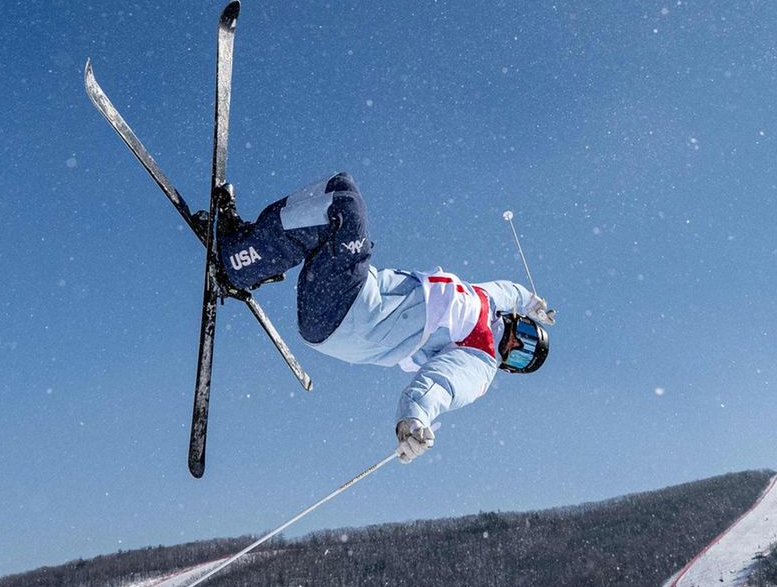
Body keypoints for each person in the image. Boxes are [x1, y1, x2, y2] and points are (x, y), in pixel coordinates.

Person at [213, 172, 555, 463]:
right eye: (524, 333)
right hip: (345, 303)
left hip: (352, 312)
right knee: (337, 191)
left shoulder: (480, 361)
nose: (513, 342)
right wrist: (531, 300)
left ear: (510, 366)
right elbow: (508, 290)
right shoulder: (487, 302)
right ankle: (250, 251)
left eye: (520, 355)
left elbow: (443, 386)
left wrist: (414, 418)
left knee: (344, 204)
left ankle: (236, 260)